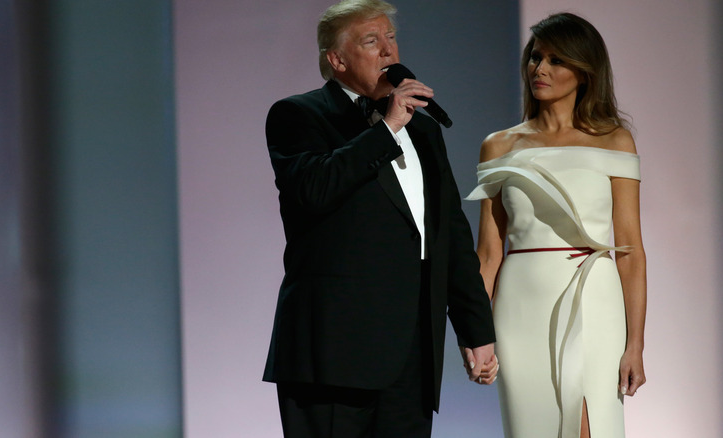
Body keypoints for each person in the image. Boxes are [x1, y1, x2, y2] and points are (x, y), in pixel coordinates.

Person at [262, 1, 498, 437]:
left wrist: (476, 330)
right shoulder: (298, 115)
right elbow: (314, 190)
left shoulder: (424, 131)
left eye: (391, 37)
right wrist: (386, 129)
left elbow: (449, 236)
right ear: (337, 60)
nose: (389, 50)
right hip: (333, 355)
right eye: (372, 41)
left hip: (410, 358)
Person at [466, 12, 647, 438]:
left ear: (584, 72)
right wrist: (475, 336)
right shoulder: (499, 145)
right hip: (520, 305)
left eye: (556, 60)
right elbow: (489, 253)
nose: (540, 69)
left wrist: (635, 345)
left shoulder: (614, 141)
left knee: (592, 425)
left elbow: (631, 251)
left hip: (595, 298)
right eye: (535, 57)